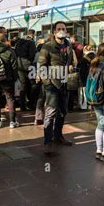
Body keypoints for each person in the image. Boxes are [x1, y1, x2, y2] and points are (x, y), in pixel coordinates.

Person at [37, 21, 76, 154]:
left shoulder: (68, 45)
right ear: (54, 32)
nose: (61, 31)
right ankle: (48, 142)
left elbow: (70, 62)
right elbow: (41, 66)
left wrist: (71, 68)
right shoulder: (47, 47)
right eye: (59, 29)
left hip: (65, 83)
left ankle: (58, 136)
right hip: (52, 84)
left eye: (63, 29)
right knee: (50, 113)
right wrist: (47, 83)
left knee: (62, 111)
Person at [0, 31, 19, 128]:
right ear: (5, 41)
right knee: (10, 99)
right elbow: (15, 66)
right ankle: (12, 122)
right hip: (8, 79)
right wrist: (15, 78)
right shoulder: (9, 51)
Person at [15, 30, 36, 110]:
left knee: (23, 85)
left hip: (20, 66)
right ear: (32, 35)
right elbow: (33, 54)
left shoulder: (19, 42)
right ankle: (31, 104)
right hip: (29, 66)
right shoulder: (31, 43)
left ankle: (22, 105)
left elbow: (16, 53)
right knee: (32, 85)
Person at [33, 38, 46, 125]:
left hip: (41, 77)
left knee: (41, 98)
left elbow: (34, 64)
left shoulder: (37, 54)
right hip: (47, 77)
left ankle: (38, 117)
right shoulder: (45, 54)